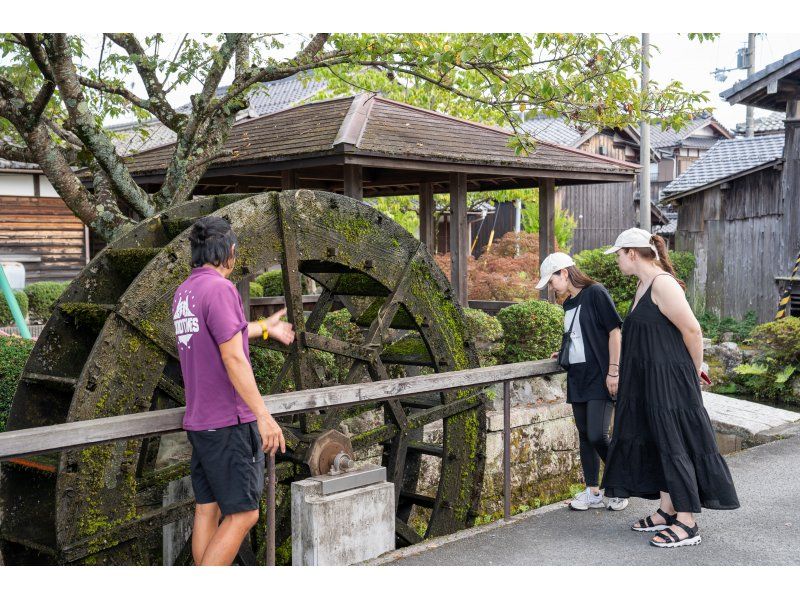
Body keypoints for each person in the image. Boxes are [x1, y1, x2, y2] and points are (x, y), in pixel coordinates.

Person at [600, 228, 739, 548]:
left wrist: (692, 373)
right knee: (655, 440)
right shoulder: (642, 285)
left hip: (670, 381)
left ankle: (687, 521)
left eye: (619, 254)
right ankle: (667, 509)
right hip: (648, 381)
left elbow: (692, 330)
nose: (618, 261)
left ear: (632, 253)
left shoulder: (662, 283)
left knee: (675, 444)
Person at [172, 216, 295, 565]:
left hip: (200, 422)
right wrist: (264, 415)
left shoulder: (186, 292)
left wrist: (263, 328)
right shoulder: (221, 289)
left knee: (207, 511)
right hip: (228, 421)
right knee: (244, 514)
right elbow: (233, 358)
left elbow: (220, 335)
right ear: (227, 250)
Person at [536, 252, 628, 512]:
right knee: (586, 436)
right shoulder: (568, 303)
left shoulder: (596, 293)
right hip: (577, 376)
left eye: (551, 281)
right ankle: (593, 492)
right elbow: (578, 335)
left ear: (564, 273)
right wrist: (564, 349)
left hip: (600, 374)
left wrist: (613, 371)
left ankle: (621, 484)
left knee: (599, 434)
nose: (551, 288)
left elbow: (614, 332)